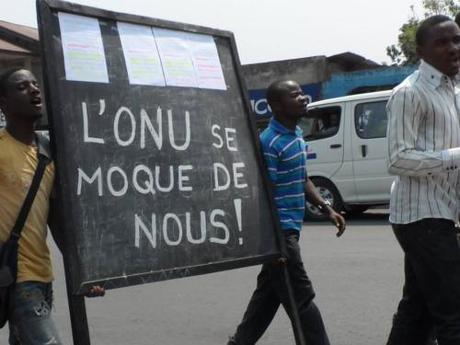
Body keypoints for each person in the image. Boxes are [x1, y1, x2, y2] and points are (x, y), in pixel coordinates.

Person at [227, 80, 346, 345]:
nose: (304, 98)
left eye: (303, 93)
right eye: (296, 96)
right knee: (301, 300)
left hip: (289, 229)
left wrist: (327, 209)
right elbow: (262, 193)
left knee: (267, 299)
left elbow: (303, 178)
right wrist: (273, 241)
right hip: (280, 232)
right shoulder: (270, 142)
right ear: (277, 105)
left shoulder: (296, 136)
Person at [0, 68, 104, 345]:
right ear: (4, 103)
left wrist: (82, 271)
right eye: (22, 87)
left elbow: (56, 221)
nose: (34, 90)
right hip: (19, 278)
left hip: (43, 275)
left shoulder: (47, 151)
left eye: (35, 84)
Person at [386, 15, 460, 345]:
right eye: (442, 42)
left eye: (457, 39)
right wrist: (455, 156)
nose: (454, 48)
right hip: (421, 217)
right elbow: (398, 158)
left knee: (417, 311)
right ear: (421, 51)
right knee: (453, 311)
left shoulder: (453, 89)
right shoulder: (409, 93)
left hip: (442, 212)